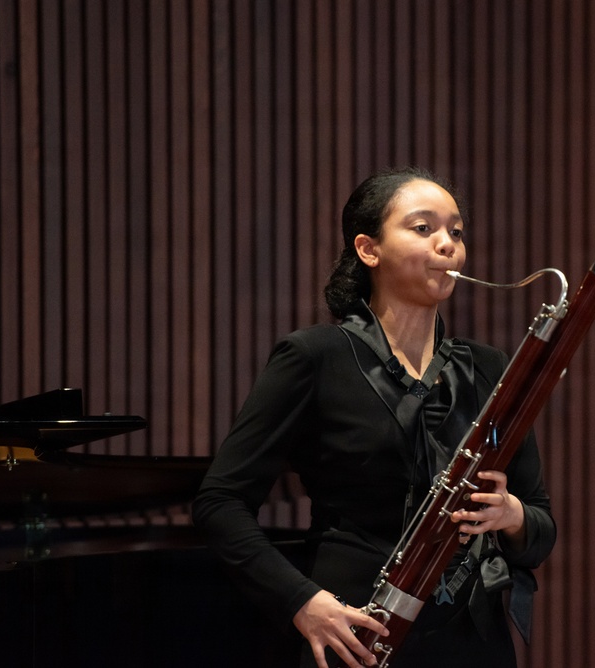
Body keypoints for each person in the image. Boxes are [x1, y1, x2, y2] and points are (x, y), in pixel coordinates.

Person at [192, 166, 557, 668]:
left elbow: (540, 525)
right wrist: (302, 602)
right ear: (369, 249)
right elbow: (220, 502)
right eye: (423, 228)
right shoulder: (314, 357)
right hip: (355, 635)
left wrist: (511, 515)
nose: (447, 244)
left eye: (456, 231)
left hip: (474, 642)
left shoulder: (490, 368)